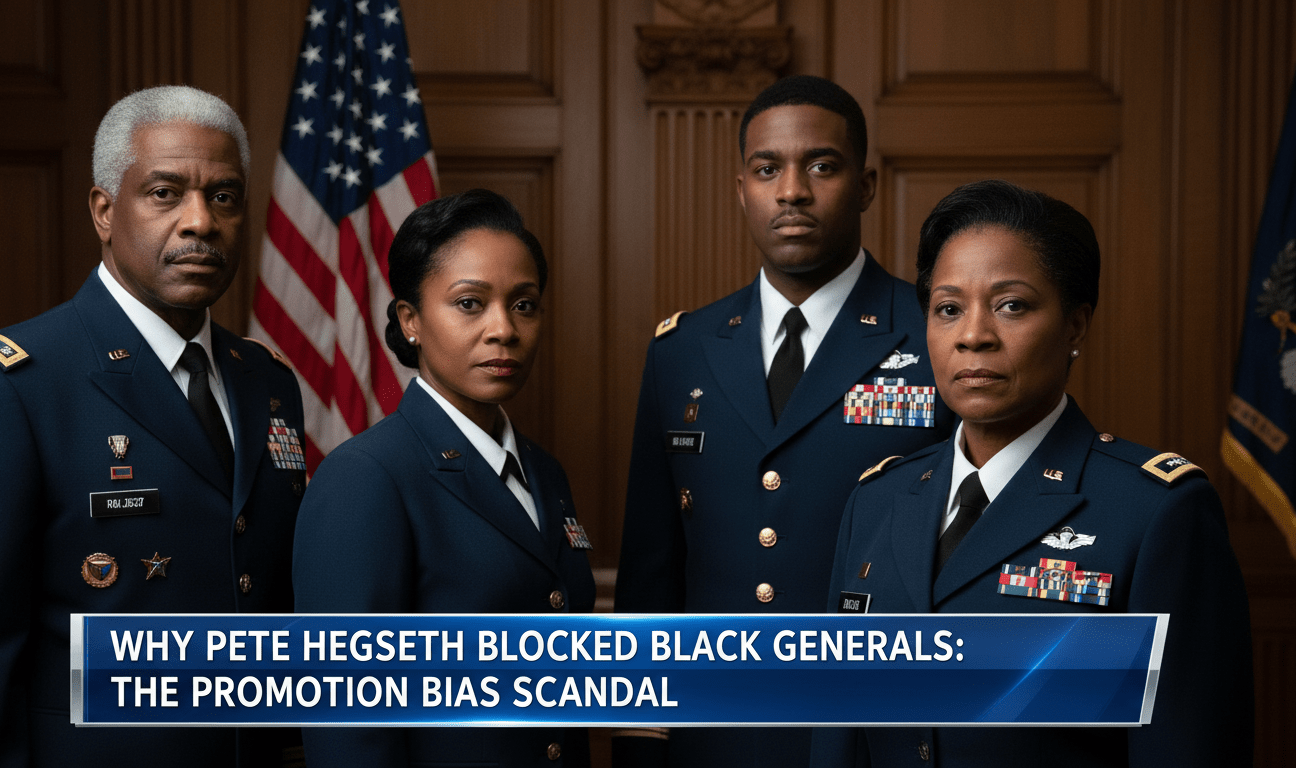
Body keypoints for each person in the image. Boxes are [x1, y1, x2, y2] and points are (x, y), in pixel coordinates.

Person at [810, 180, 1253, 766]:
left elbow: (1183, 748)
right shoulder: (877, 500)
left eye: (1011, 305)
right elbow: (840, 735)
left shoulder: (1154, 514)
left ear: (1075, 326)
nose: (973, 336)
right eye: (948, 309)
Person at [0, 86, 306, 767]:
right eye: (165, 193)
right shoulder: (9, 386)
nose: (201, 222)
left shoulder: (267, 383)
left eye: (224, 197)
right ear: (104, 211)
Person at [612, 75, 955, 767]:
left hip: (872, 734)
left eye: (821, 166)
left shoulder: (935, 335)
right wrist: (640, 744)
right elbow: (652, 574)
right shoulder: (682, 350)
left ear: (865, 185)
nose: (792, 191)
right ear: (742, 189)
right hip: (715, 741)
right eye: (768, 170)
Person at [293, 189, 596, 767]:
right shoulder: (366, 477)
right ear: (411, 320)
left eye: (524, 304)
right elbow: (350, 724)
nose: (504, 329)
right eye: (470, 303)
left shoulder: (545, 473)